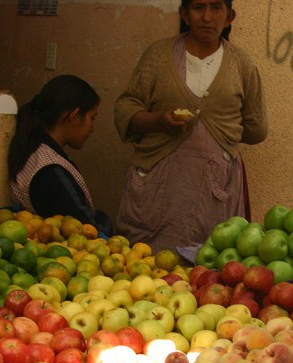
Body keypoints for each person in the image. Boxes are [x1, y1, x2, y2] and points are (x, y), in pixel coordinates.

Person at [114, 0, 268, 251]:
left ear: (229, 17)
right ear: (185, 14)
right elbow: (125, 109)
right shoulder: (158, 55)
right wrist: (158, 120)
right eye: (198, 7)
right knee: (148, 264)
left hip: (214, 192)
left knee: (209, 266)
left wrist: (221, 134)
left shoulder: (242, 64)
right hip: (160, 187)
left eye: (216, 8)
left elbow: (257, 128)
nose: (207, 17)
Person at [8, 74, 113, 235]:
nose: (92, 129)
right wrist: (104, 219)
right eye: (92, 118)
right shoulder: (50, 172)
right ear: (75, 116)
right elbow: (90, 230)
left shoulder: (34, 147)